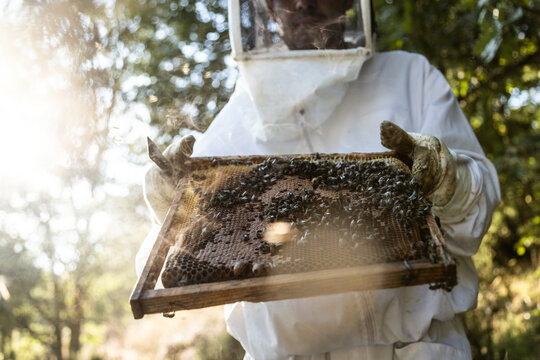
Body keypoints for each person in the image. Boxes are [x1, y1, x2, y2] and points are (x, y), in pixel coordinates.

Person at [140, 0, 501, 358]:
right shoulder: (234, 120)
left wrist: (449, 179)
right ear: (266, 8)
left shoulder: (410, 78)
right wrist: (172, 202)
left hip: (420, 349)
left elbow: (473, 224)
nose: (302, 2)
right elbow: (167, 262)